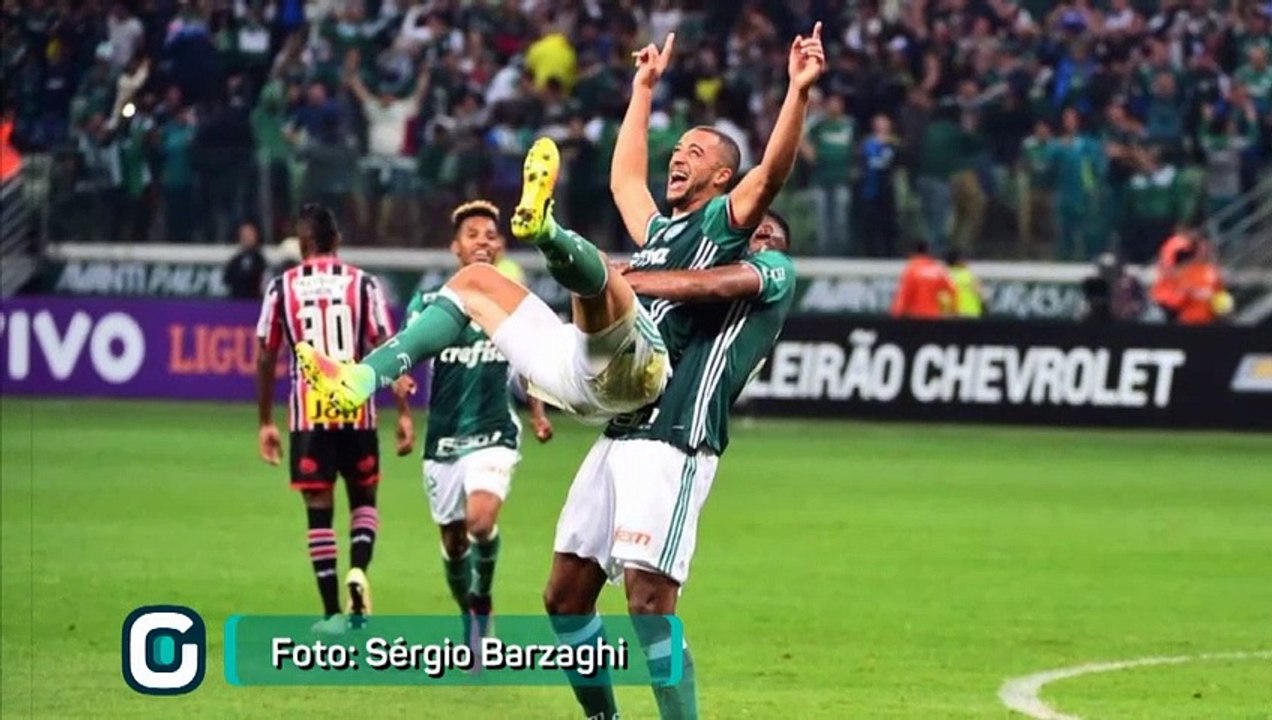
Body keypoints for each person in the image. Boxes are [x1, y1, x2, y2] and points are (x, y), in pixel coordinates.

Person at [541, 25, 822, 720]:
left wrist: (797, 93)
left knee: (647, 601)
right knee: (564, 597)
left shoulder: (728, 234)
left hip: (676, 441)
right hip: (621, 432)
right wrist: (641, 91)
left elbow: (770, 176)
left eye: (694, 151)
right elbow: (623, 180)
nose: (679, 156)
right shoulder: (664, 233)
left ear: (722, 177)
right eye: (679, 147)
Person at [390, 200, 554, 642]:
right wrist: (403, 414)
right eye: (472, 235)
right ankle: (470, 609)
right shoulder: (427, 304)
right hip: (443, 437)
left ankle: (483, 595)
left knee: (479, 522)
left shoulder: (511, 305)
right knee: (453, 542)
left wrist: (537, 412)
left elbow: (528, 364)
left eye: (489, 234)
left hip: (494, 430)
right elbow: (405, 358)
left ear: (499, 246)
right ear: (456, 248)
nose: (482, 240)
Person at [255, 203, 413, 634]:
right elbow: (386, 346)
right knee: (363, 501)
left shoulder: (281, 288)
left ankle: (331, 614)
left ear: (301, 243)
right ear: (337, 241)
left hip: (310, 417)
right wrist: (402, 412)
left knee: (318, 511)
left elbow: (266, 356)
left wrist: (266, 421)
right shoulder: (363, 285)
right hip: (356, 410)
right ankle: (358, 571)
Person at [891, 241, 954, 319]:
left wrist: (896, 316)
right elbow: (951, 291)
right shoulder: (937, 269)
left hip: (917, 318)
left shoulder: (912, 269)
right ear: (928, 252)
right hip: (935, 317)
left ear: (913, 252)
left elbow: (904, 295)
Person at [224, 220, 266, 299]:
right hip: (237, 301)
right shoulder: (236, 260)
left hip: (254, 301)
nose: (246, 237)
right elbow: (227, 278)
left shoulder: (260, 260)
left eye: (249, 234)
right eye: (244, 235)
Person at [945, 249, 984, 318]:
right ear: (958, 261)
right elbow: (980, 292)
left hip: (951, 314)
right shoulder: (968, 275)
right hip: (970, 313)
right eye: (963, 258)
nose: (966, 261)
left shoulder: (944, 275)